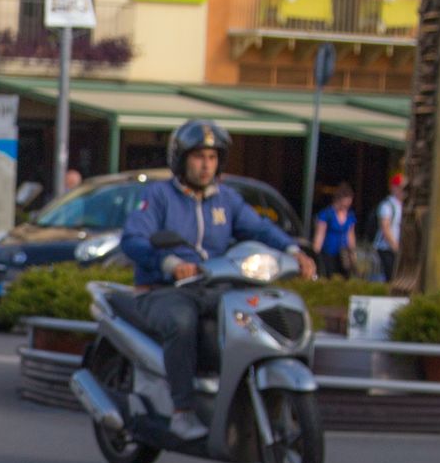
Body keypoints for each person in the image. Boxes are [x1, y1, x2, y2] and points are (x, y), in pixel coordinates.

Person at [119, 120, 314, 443]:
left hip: (212, 288)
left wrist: (294, 251)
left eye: (212, 157)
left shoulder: (226, 200)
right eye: (198, 156)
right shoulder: (159, 195)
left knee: (249, 314)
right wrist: (170, 263)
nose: (206, 164)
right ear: (181, 159)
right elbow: (133, 239)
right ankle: (182, 411)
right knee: (183, 322)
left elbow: (260, 228)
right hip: (163, 290)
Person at [313, 183, 358, 279]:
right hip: (329, 253)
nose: (346, 206)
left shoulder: (350, 216)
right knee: (329, 276)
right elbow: (319, 236)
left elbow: (351, 235)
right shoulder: (326, 214)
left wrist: (353, 254)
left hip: (344, 255)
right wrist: (315, 255)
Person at [371, 174, 404, 282]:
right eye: (399, 187)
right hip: (386, 249)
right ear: (393, 188)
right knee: (390, 277)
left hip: (397, 248)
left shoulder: (403, 205)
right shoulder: (387, 205)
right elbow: (385, 228)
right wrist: (396, 247)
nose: (402, 190)